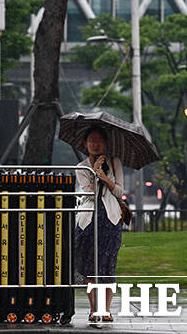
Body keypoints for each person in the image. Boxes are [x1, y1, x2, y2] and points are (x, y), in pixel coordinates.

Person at [74, 125, 124, 324]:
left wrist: (105, 177)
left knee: (108, 265)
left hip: (110, 218)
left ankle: (106, 309)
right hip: (89, 220)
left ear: (105, 143)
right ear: (85, 144)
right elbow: (88, 193)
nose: (95, 144)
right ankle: (94, 309)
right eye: (91, 140)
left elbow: (119, 192)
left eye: (98, 140)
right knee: (90, 266)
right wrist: (94, 174)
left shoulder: (115, 162)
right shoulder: (81, 166)